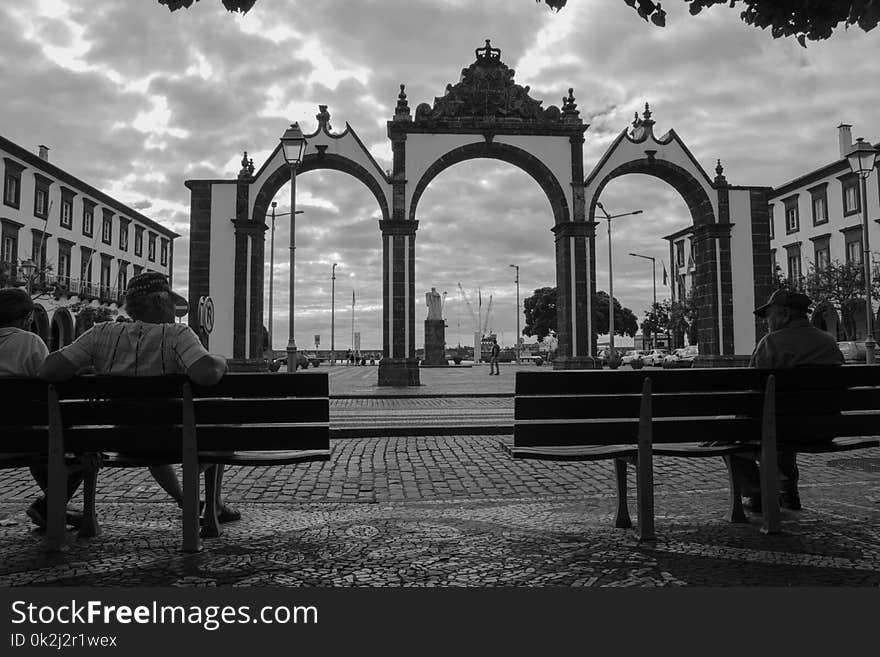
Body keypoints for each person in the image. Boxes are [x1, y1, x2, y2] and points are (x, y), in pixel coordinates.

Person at [38, 272, 239, 524]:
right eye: (170, 302)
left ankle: (187, 501)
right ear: (158, 300)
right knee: (224, 420)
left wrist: (84, 368)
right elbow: (207, 373)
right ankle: (214, 505)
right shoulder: (177, 335)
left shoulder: (100, 334)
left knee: (147, 428)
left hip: (122, 440)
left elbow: (48, 369)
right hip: (174, 441)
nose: (174, 309)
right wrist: (220, 361)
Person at [732, 288, 844, 511]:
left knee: (734, 435)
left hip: (781, 428)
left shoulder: (771, 343)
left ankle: (757, 492)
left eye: (769, 315)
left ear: (784, 314)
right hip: (824, 428)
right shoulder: (828, 342)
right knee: (785, 425)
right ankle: (788, 492)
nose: (767, 322)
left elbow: (752, 391)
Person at [0, 288, 85, 529]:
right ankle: (49, 506)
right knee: (86, 450)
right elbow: (50, 381)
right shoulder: (28, 342)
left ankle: (53, 506)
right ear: (27, 318)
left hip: (20, 438)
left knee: (42, 446)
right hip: (24, 439)